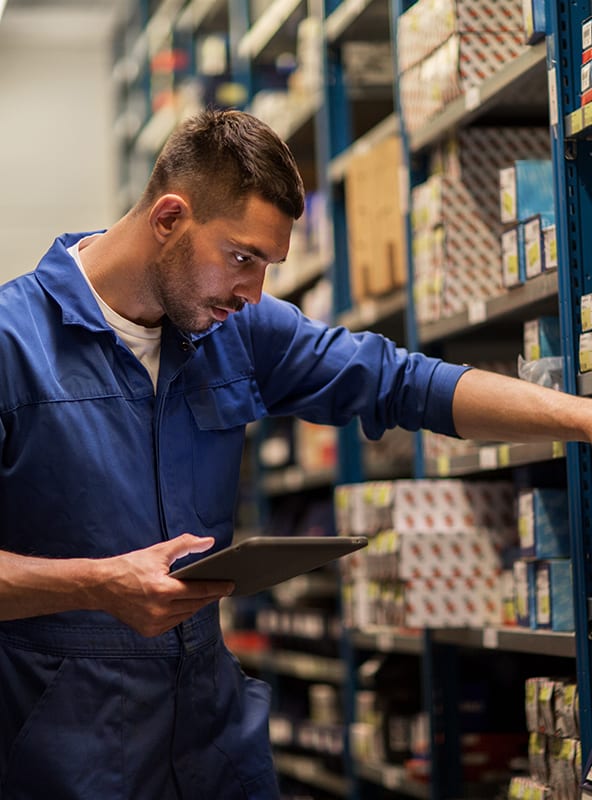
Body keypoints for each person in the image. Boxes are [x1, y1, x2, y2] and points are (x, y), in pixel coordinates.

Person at [0, 107, 590, 800]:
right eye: (242, 258)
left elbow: (403, 382)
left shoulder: (235, 330)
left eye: (268, 266)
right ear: (168, 218)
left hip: (215, 750)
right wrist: (98, 585)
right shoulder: (15, 346)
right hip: (69, 760)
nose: (253, 293)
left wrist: (581, 417)